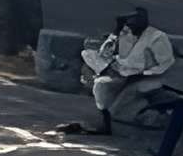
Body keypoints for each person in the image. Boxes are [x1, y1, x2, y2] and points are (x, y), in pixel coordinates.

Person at [73, 7, 176, 136]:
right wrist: (116, 31)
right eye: (128, 22)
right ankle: (107, 121)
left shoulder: (157, 37)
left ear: (144, 21)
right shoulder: (124, 33)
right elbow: (104, 54)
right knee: (101, 83)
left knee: (118, 110)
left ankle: (163, 114)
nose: (130, 25)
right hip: (122, 74)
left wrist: (143, 74)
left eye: (135, 21)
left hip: (143, 78)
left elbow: (166, 63)